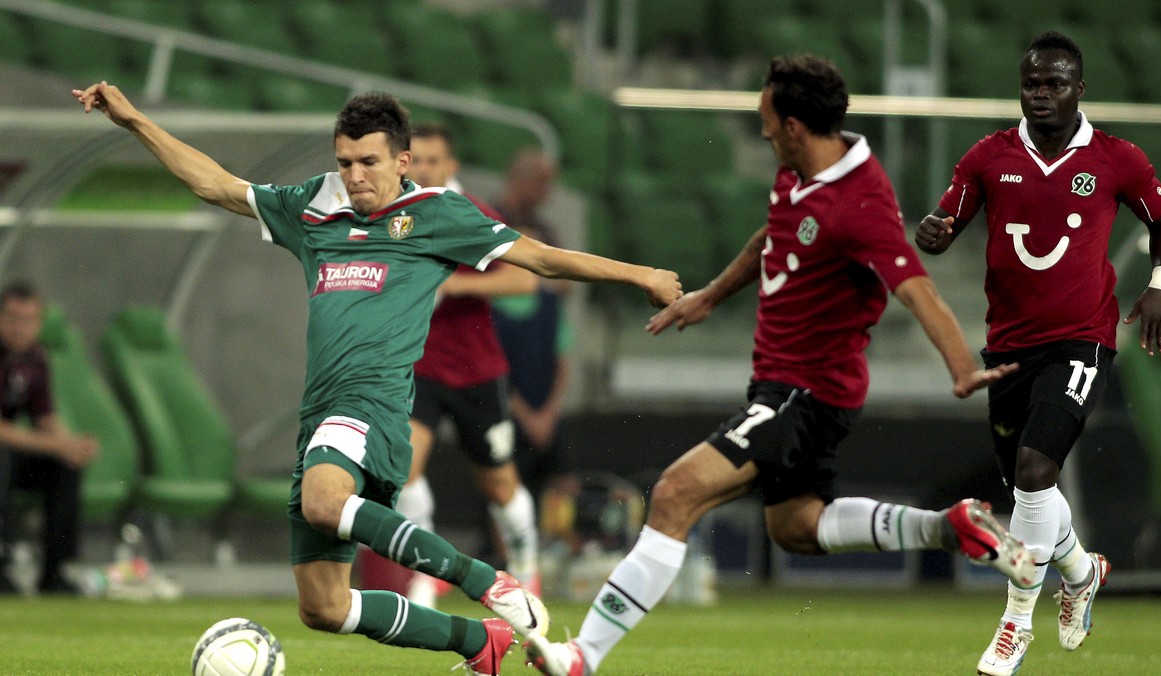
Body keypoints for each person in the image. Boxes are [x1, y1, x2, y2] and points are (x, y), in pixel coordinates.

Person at [72, 82, 681, 675]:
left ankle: (482, 579)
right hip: (321, 418)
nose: (355, 175)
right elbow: (218, 185)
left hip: (374, 407)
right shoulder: (315, 205)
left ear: (403, 160)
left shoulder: (438, 214)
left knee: (323, 501)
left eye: (369, 161)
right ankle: (481, 643)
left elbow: (542, 258)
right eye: (345, 161)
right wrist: (135, 122)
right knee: (324, 607)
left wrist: (641, 275)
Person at [525, 54, 1033, 676]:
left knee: (676, 493)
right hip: (784, 384)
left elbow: (917, 289)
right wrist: (711, 294)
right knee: (796, 526)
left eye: (766, 118)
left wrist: (960, 367)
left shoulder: (862, 203)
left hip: (807, 391)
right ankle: (949, 527)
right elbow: (773, 234)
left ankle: (583, 656)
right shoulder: (796, 173)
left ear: (793, 125)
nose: (760, 130)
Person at [914, 31, 1161, 676]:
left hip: (1084, 339)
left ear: (1079, 89)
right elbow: (946, 224)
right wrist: (934, 232)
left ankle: (1013, 626)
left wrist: (1158, 286)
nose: (1041, 94)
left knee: (1035, 470)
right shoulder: (987, 155)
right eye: (1032, 82)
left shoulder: (1117, 158)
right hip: (1008, 346)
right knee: (1027, 486)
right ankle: (1082, 571)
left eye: (1055, 83)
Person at [359, 122, 543, 608]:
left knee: (499, 484)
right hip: (418, 369)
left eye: (433, 161)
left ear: (451, 167)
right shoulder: (394, 214)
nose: (422, 170)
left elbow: (524, 282)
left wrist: (456, 286)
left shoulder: (470, 214)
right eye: (414, 161)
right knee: (401, 470)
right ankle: (431, 570)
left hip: (477, 372)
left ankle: (526, 567)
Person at [0, 282, 98, 595]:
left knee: (64, 464)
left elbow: (46, 419)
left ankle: (56, 571)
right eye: (12, 317)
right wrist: (55, 444)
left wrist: (70, 445)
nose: (19, 327)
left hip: (11, 454)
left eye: (28, 319)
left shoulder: (36, 359)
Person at [490, 148, 573, 508]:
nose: (547, 193)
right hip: (505, 399)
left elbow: (564, 282)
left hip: (543, 402)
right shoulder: (490, 222)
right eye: (541, 184)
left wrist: (547, 414)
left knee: (561, 484)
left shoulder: (546, 231)